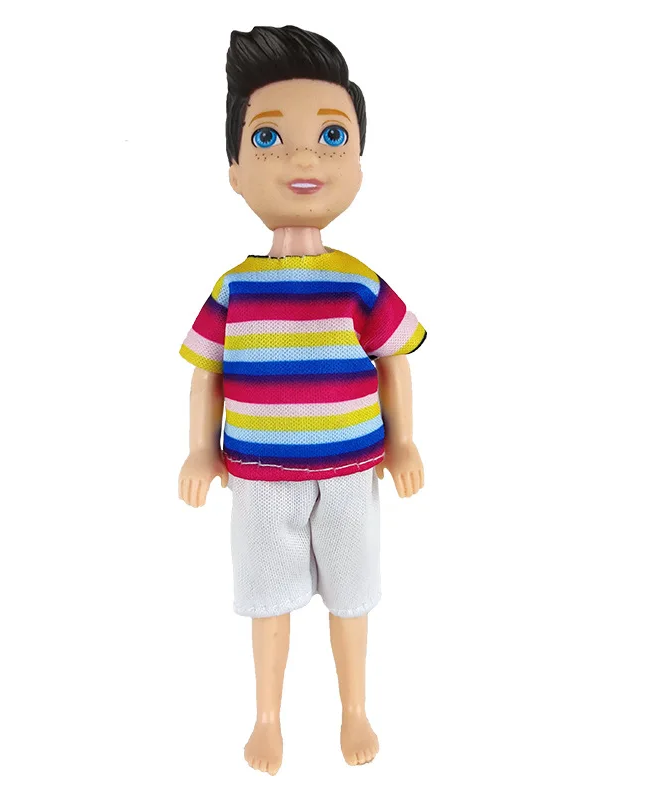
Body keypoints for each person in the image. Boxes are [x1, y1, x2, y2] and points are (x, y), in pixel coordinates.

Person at [178, 25, 426, 775]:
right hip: (258, 475)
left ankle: (355, 708)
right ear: (233, 169)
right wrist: (199, 450)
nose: (304, 158)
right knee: (266, 599)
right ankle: (267, 717)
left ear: (358, 161)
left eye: (331, 136)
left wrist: (404, 440)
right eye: (268, 139)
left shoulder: (359, 282)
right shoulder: (234, 288)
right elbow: (206, 373)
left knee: (353, 596)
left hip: (351, 471)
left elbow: (393, 360)